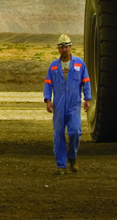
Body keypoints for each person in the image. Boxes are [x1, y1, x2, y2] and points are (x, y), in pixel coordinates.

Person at [44, 34, 91, 175]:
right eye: (61, 47)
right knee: (58, 134)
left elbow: (86, 82)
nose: (64, 49)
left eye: (67, 47)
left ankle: (72, 157)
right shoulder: (53, 67)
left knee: (75, 131)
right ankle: (61, 166)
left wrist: (87, 99)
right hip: (59, 104)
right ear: (58, 49)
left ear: (71, 47)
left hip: (74, 103)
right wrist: (48, 100)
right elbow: (48, 84)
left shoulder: (79, 64)